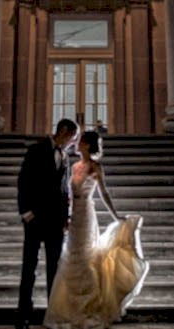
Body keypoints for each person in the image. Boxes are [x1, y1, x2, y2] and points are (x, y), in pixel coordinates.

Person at [43, 130, 149, 329]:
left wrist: (116, 216)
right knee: (72, 257)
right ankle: (70, 308)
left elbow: (104, 193)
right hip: (74, 216)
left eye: (80, 141)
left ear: (87, 145)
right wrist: (66, 215)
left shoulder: (95, 167)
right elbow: (68, 194)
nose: (76, 143)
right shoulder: (74, 166)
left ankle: (90, 305)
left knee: (86, 257)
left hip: (87, 215)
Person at [16, 118, 81, 329]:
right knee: (29, 269)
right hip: (35, 219)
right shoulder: (36, 150)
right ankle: (23, 315)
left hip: (55, 222)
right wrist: (26, 212)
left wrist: (66, 218)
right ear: (63, 131)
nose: (73, 142)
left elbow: (65, 191)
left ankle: (52, 313)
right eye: (72, 137)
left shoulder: (65, 156)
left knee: (55, 270)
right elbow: (24, 180)